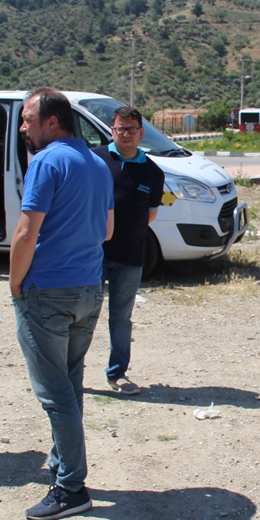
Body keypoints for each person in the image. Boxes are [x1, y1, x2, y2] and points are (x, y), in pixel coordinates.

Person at [11, 88, 114, 520]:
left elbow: (25, 232)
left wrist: (15, 285)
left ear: (51, 122)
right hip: (89, 289)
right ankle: (61, 463)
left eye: (27, 119)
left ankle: (72, 487)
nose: (22, 129)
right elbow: (107, 231)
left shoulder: (46, 161)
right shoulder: (98, 163)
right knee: (69, 384)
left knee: (55, 393)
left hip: (48, 292)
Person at [90, 106, 165, 395]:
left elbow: (151, 214)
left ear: (141, 132)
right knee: (84, 317)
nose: (126, 134)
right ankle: (72, 373)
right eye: (120, 129)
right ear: (112, 130)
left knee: (121, 319)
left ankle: (117, 374)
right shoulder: (95, 160)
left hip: (131, 258)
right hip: (93, 255)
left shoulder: (152, 171)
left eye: (132, 129)